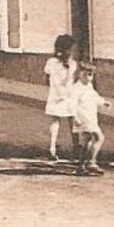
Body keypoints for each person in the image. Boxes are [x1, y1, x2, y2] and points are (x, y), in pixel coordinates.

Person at [43, 34, 79, 162]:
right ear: (67, 50)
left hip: (55, 95)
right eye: (71, 49)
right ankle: (76, 148)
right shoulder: (72, 64)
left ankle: (52, 148)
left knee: (55, 122)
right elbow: (73, 81)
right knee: (72, 122)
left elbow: (46, 79)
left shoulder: (51, 62)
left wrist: (54, 87)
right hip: (68, 96)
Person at [69, 63, 109, 175]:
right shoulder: (77, 88)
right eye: (86, 74)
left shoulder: (89, 87)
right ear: (80, 74)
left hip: (90, 116)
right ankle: (91, 162)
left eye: (91, 75)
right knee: (99, 137)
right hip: (83, 117)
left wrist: (103, 102)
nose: (89, 77)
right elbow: (71, 104)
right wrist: (74, 117)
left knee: (86, 141)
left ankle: (81, 166)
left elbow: (95, 98)